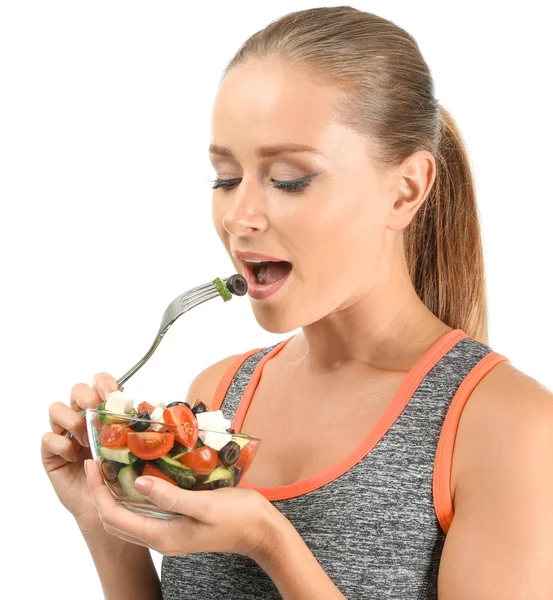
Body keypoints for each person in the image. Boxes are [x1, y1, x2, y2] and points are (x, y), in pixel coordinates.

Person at [41, 6, 553, 599]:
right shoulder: (218, 398)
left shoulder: (508, 427)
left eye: (288, 179)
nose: (238, 216)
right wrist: (105, 521)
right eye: (226, 178)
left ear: (406, 191)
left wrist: (271, 542)